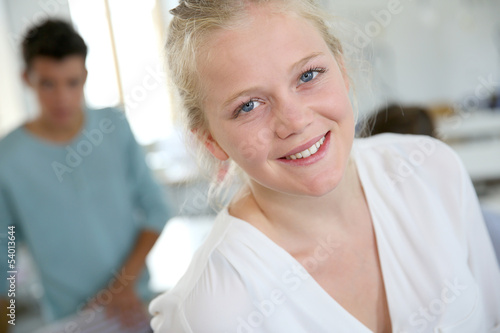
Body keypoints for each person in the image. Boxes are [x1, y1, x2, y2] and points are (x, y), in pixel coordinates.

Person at [149, 0, 500, 332]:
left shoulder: (432, 170)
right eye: (249, 105)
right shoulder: (211, 309)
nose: (295, 121)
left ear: (343, 69)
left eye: (308, 75)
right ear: (210, 141)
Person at [0, 19, 171, 330]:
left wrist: (122, 286)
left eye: (72, 82)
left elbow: (157, 209)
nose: (62, 98)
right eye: (48, 84)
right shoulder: (7, 158)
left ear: (86, 76)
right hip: (70, 320)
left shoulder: (114, 127)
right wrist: (7, 321)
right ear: (27, 79)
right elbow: (5, 249)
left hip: (135, 308)